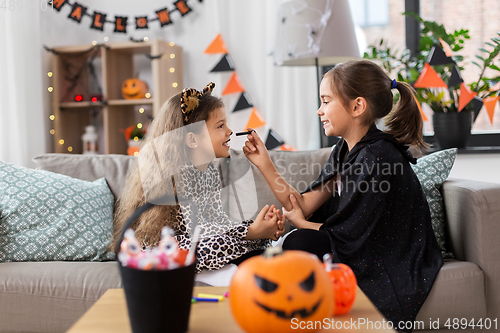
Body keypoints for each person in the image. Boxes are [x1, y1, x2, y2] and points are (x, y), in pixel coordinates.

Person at [243, 60, 443, 332]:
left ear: (357, 107)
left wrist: (300, 223)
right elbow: (303, 203)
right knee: (280, 246)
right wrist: (264, 163)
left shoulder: (377, 158)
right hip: (358, 241)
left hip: (388, 254)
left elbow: (347, 236)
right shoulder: (344, 150)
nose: (319, 111)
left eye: (326, 102)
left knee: (298, 240)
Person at [112, 82, 285, 272]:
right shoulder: (180, 174)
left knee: (248, 243)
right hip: (162, 248)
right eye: (220, 126)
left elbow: (216, 222)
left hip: (197, 238)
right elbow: (199, 231)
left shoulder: (209, 170)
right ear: (192, 139)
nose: (229, 132)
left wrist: (257, 229)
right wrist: (250, 232)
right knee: (223, 244)